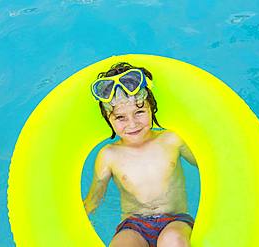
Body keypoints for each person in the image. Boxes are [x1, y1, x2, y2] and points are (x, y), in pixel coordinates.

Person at [83, 62, 198, 247]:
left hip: (175, 220)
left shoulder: (171, 140)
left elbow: (207, 166)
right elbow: (94, 199)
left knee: (173, 241)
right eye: (120, 117)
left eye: (139, 112)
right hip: (134, 225)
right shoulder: (109, 155)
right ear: (108, 119)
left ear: (152, 107)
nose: (132, 123)